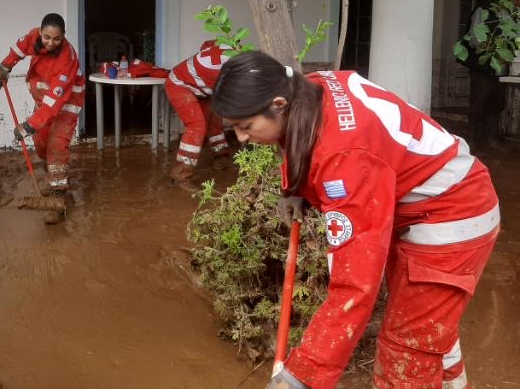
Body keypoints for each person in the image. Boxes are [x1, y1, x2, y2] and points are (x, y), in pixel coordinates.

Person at [213, 51, 499, 389]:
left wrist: (301, 376)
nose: (242, 138)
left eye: (245, 126)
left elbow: (355, 286)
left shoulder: (345, 160)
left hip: (451, 215)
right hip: (421, 203)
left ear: (278, 103)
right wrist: (297, 188)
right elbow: (301, 139)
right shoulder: (310, 89)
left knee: (406, 352)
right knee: (427, 325)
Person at [0, 13, 85, 224]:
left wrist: (29, 125)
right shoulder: (34, 36)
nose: (50, 43)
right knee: (41, 143)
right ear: (41, 32)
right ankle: (56, 177)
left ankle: (57, 194)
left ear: (63, 36)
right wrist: (5, 66)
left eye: (56, 39)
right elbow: (19, 49)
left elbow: (55, 101)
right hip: (44, 100)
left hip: (66, 102)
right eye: (46, 37)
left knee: (56, 146)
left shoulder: (67, 61)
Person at [165, 40, 233, 182]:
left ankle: (222, 159)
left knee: (215, 121)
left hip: (203, 88)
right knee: (197, 125)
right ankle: (181, 174)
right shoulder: (234, 67)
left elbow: (207, 45)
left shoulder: (229, 47)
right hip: (179, 84)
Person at [462, 0, 520, 151]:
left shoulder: (515, 15)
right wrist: (495, 51)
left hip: (504, 69)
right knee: (478, 104)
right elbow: (474, 39)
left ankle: (490, 140)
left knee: (496, 104)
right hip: (483, 66)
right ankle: (471, 140)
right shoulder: (484, 10)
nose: (518, 2)